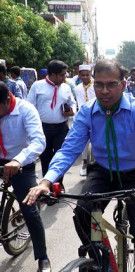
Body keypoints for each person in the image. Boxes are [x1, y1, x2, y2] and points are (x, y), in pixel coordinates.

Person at [23, 59, 135, 272]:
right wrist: (46, 181)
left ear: (123, 84)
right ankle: (100, 259)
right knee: (82, 213)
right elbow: (69, 149)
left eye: (111, 85)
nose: (104, 91)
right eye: (99, 84)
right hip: (104, 171)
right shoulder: (87, 112)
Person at [0, 82, 50, 271]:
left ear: (6, 100)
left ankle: (43, 257)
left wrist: (18, 160)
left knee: (29, 208)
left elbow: (38, 141)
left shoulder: (26, 109)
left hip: (22, 163)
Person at [27, 60, 76, 190]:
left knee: (61, 156)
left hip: (61, 127)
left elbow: (73, 103)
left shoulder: (66, 87)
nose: (65, 77)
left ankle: (58, 185)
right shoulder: (37, 86)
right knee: (45, 156)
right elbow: (29, 106)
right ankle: (46, 185)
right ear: (53, 75)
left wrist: (71, 111)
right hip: (43, 128)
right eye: (62, 75)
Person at [74, 64, 96, 176]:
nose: (85, 77)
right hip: (83, 118)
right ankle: (84, 163)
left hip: (96, 117)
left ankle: (97, 164)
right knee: (84, 142)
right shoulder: (77, 88)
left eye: (87, 75)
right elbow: (79, 103)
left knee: (97, 141)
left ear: (91, 73)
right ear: (79, 75)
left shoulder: (96, 86)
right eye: (83, 75)